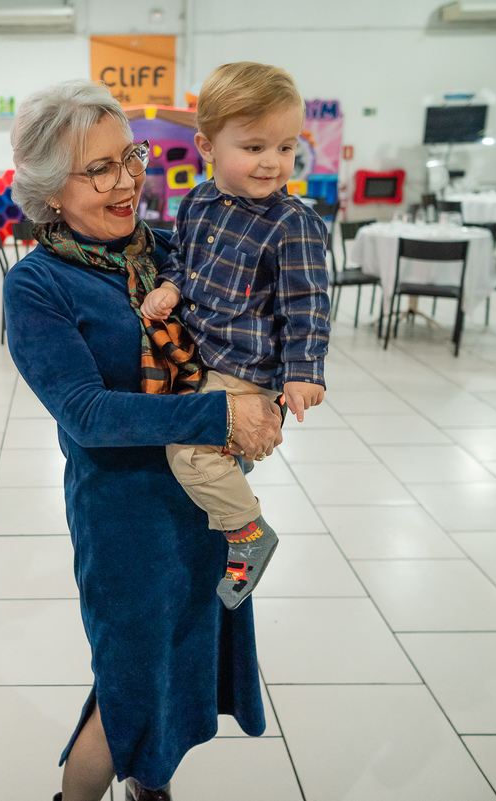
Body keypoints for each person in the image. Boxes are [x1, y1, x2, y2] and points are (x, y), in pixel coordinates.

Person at [4, 80, 286, 801]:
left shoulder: (167, 250)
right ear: (50, 191)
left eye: (129, 156)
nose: (128, 180)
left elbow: (241, 328)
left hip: (206, 509)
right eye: (99, 169)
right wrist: (221, 418)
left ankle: (150, 781)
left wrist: (271, 390)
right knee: (127, 684)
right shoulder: (38, 286)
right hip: (126, 519)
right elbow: (88, 414)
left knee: (183, 663)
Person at [139, 61, 331, 610]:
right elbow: (183, 259)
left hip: (244, 367)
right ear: (207, 146)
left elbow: (307, 303)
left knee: (190, 453)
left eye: (286, 147)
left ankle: (247, 531)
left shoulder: (292, 223)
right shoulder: (197, 202)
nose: (273, 162)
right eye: (253, 147)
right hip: (197, 354)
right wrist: (171, 287)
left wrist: (303, 373)